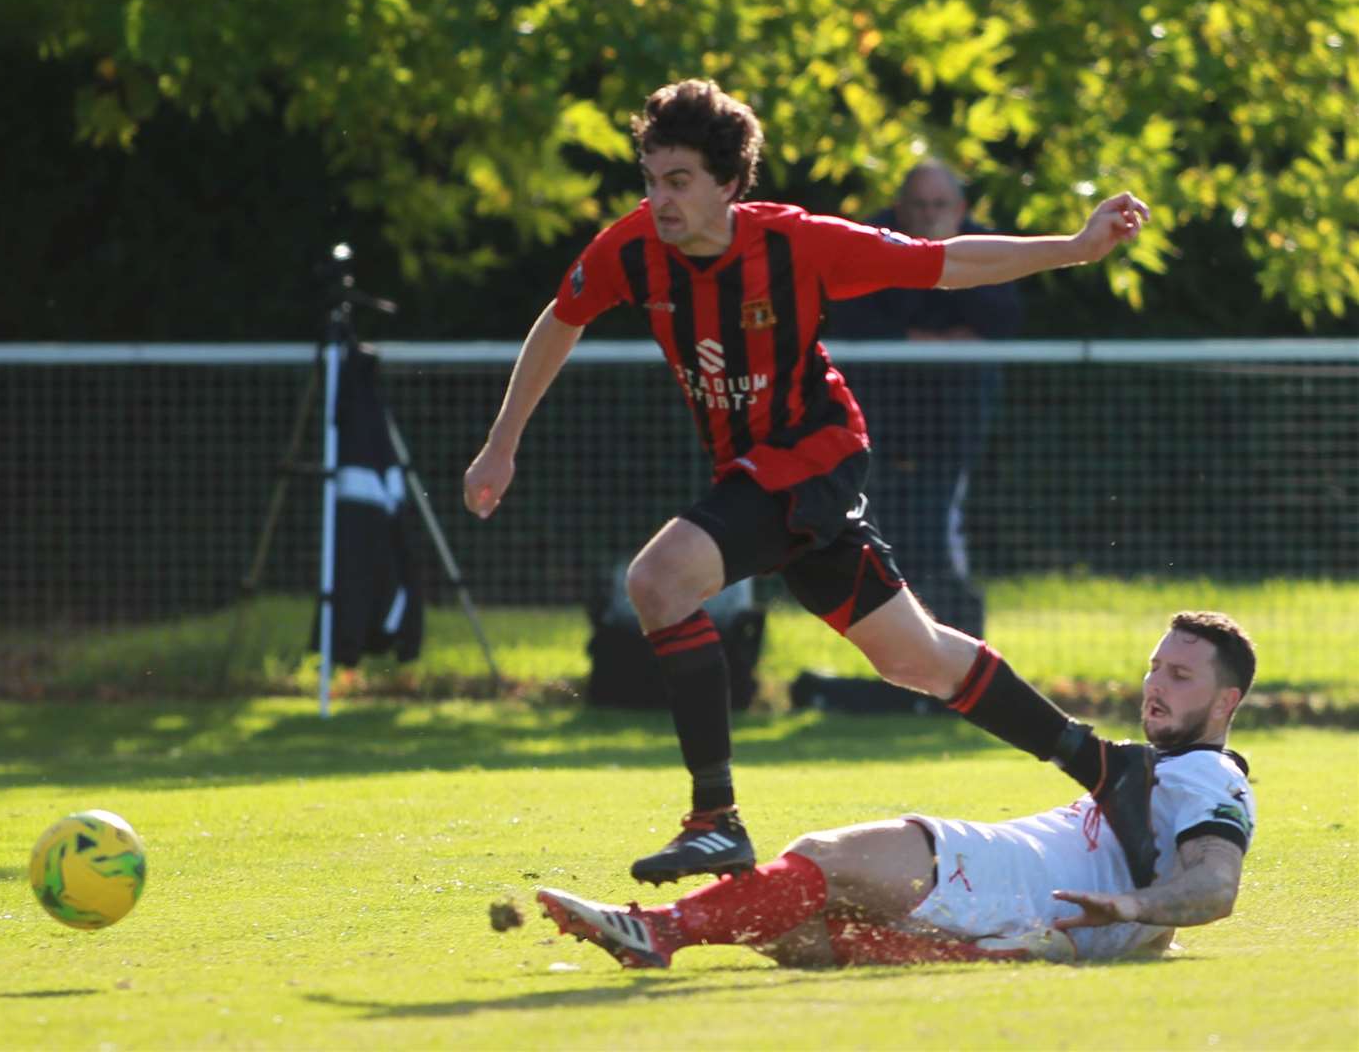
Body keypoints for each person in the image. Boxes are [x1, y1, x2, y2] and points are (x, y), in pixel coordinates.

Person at [463, 78, 1157, 889]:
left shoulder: (795, 244)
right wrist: (500, 444)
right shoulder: (629, 252)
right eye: (650, 180)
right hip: (760, 477)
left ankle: (714, 820)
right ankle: (1107, 766)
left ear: (728, 182)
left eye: (678, 181)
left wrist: (1072, 246)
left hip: (816, 455)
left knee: (658, 579)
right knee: (917, 659)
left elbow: (943, 263)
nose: (659, 200)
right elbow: (561, 317)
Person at [537, 612, 1258, 969]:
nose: (1157, 687)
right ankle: (979, 962)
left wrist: (1132, 908)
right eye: (1155, 668)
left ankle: (658, 931)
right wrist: (1135, 928)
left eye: (1181, 678)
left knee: (822, 856)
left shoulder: (1210, 775)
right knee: (795, 932)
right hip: (1023, 904)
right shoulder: (1161, 766)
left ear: (1226, 704)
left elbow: (1216, 886)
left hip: (1010, 877)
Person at [828, 161, 1024, 639]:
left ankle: (955, 638)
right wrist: (937, 336)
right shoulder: (870, 241)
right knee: (880, 527)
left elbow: (1000, 322)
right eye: (919, 206)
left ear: (960, 209)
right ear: (899, 208)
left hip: (955, 420)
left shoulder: (983, 245)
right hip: (880, 417)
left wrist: (945, 255)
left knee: (936, 525)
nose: (929, 214)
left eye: (940, 206)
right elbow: (853, 320)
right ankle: (899, 643)